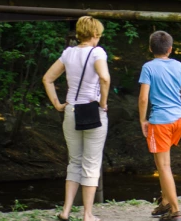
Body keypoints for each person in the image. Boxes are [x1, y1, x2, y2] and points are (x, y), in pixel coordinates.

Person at [42, 16, 110, 221]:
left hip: (71, 111)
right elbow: (105, 78)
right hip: (93, 112)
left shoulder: (68, 53)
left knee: (74, 162)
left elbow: (47, 78)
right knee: (91, 163)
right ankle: (87, 214)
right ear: (95, 34)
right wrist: (103, 103)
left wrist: (57, 103)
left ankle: (65, 211)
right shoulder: (97, 52)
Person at [139, 30, 181, 221]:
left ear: (150, 48)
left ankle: (175, 210)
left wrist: (142, 120)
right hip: (179, 120)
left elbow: (143, 98)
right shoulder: (178, 66)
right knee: (164, 163)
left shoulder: (148, 68)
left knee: (163, 166)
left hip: (161, 122)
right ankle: (165, 202)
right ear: (170, 49)